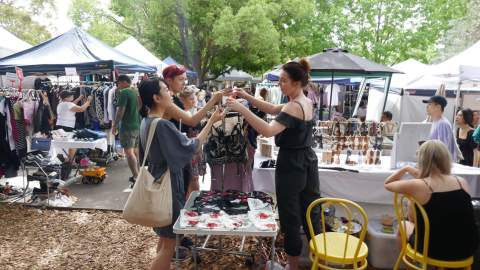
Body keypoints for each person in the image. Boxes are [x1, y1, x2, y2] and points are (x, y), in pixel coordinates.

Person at [226, 59, 321, 270]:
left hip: (292, 163)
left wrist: (242, 110)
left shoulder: (294, 105)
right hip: (307, 159)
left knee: (290, 215)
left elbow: (268, 130)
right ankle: (318, 260)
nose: (280, 84)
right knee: (310, 209)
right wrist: (246, 96)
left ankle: (293, 266)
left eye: (284, 81)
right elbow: (271, 107)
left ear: (296, 82)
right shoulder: (304, 100)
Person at [138, 78, 224, 270]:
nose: (170, 93)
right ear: (156, 98)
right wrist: (211, 121)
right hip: (168, 186)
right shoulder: (162, 125)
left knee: (164, 239)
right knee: (169, 245)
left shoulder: (147, 121)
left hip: (157, 181)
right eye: (165, 90)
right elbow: (191, 147)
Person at [384, 140, 478, 261]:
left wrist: (406, 169)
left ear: (422, 160)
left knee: (403, 225)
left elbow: (387, 184)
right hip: (467, 248)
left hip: (433, 249)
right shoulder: (461, 182)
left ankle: (409, 266)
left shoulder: (419, 185)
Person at [112, 75, 141, 185]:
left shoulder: (124, 92)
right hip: (136, 124)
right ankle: (138, 174)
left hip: (127, 126)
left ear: (124, 82)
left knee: (129, 153)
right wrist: (133, 113)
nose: (117, 86)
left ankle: (135, 176)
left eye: (118, 84)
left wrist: (114, 125)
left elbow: (120, 110)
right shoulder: (135, 90)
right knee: (135, 151)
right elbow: (140, 105)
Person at [178, 88, 205, 198]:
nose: (194, 101)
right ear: (182, 99)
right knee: (193, 179)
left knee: (194, 178)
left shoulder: (191, 112)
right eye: (191, 99)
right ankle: (193, 201)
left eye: (194, 98)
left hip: (195, 150)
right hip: (188, 151)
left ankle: (192, 201)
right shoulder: (181, 115)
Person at [56, 90, 92, 161]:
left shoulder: (61, 104)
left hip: (60, 125)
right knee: (71, 145)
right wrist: (88, 101)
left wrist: (79, 98)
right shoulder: (69, 105)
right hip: (67, 127)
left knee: (64, 144)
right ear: (66, 98)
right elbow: (81, 109)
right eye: (70, 95)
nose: (72, 96)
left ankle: (67, 160)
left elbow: (72, 105)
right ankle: (69, 161)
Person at [423, 95, 457, 160]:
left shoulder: (443, 124)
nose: (427, 107)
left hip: (440, 164)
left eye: (430, 104)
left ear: (438, 107)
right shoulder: (434, 122)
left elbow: (442, 149)